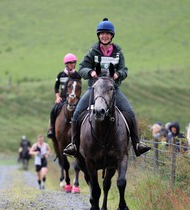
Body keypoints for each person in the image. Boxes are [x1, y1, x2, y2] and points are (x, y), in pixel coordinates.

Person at [63, 18, 151, 157]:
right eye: (102, 33)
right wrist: (90, 72)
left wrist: (118, 74)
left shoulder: (118, 53)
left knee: (130, 113)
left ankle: (137, 144)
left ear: (112, 36)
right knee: (76, 114)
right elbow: (81, 68)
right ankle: (74, 145)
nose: (105, 36)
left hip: (113, 90)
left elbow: (124, 70)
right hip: (94, 89)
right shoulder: (93, 52)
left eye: (108, 34)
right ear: (98, 35)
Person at [47, 53, 81, 138]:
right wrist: (57, 97)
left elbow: (78, 87)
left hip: (74, 98)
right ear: (66, 64)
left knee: (83, 109)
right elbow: (56, 87)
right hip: (63, 99)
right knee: (53, 110)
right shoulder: (61, 75)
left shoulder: (77, 75)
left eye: (73, 63)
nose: (72, 65)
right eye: (70, 63)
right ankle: (51, 128)